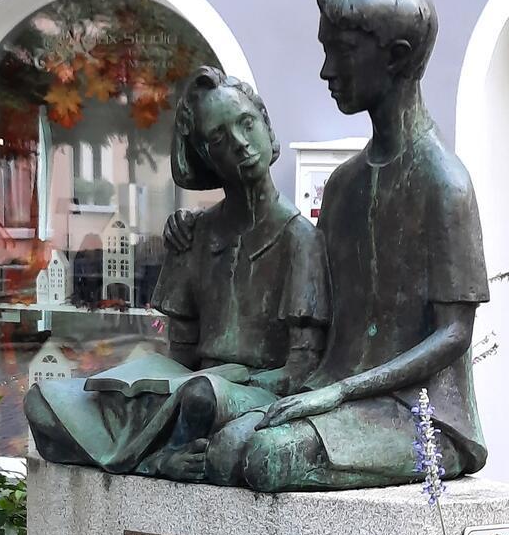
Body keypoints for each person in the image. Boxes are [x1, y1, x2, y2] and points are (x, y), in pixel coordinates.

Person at [172, 0, 490, 492]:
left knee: (266, 458)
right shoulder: (343, 187)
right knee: (224, 450)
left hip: (419, 415)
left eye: (341, 51)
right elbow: (306, 288)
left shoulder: (444, 183)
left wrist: (340, 393)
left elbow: (454, 334)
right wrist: (198, 231)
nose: (326, 70)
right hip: (332, 391)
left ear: (395, 57)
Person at [24, 67, 329, 480]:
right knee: (42, 402)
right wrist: (146, 384)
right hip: (185, 387)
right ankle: (155, 458)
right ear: (206, 157)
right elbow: (180, 354)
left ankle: (161, 458)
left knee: (201, 396)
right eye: (219, 138)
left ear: (267, 127)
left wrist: (232, 380)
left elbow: (302, 368)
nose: (240, 143)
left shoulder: (301, 239)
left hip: (244, 394)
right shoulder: (193, 234)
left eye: (247, 123)